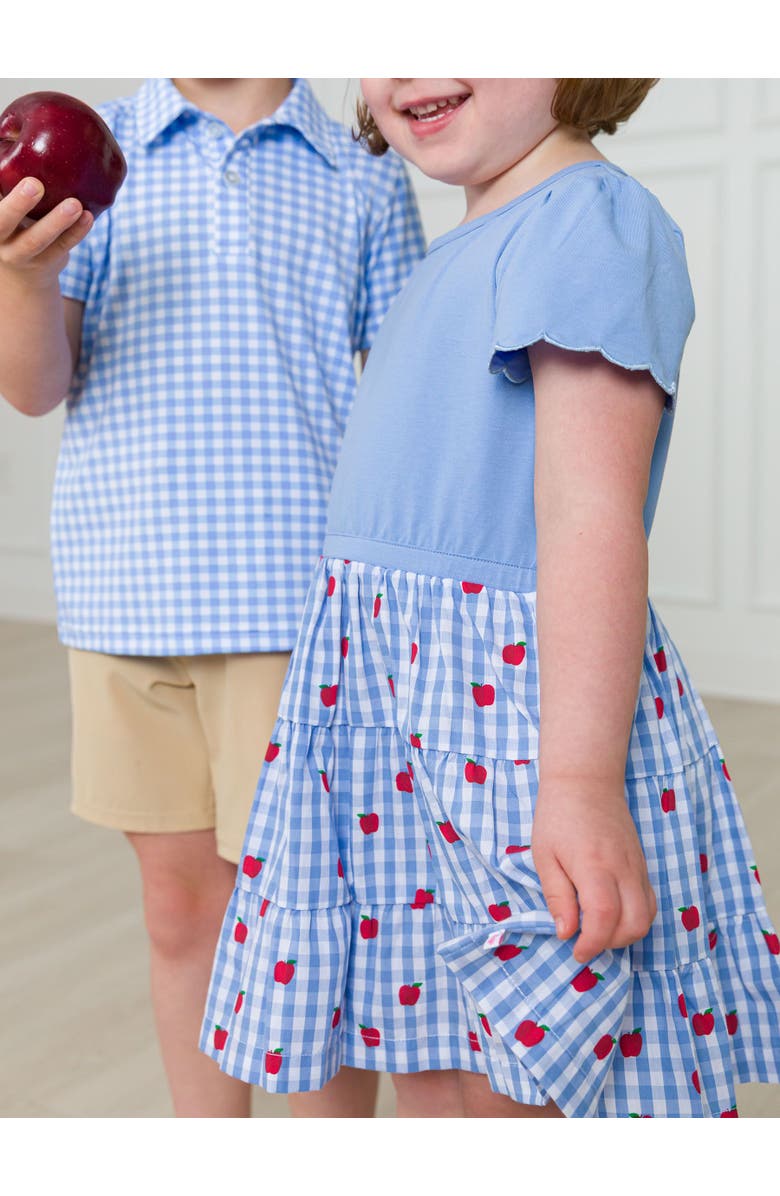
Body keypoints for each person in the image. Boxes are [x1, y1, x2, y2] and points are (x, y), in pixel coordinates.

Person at [200, 78, 780, 1118]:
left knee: (541, 1048)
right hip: (390, 705)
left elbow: (588, 510)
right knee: (426, 1021)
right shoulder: (457, 241)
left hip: (506, 713)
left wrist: (579, 778)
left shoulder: (589, 221)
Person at [0, 76, 425, 1118]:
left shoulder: (361, 170)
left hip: (297, 605)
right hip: (127, 597)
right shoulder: (104, 157)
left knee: (311, 920)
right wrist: (21, 276)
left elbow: (408, 392)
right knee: (180, 910)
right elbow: (32, 385)